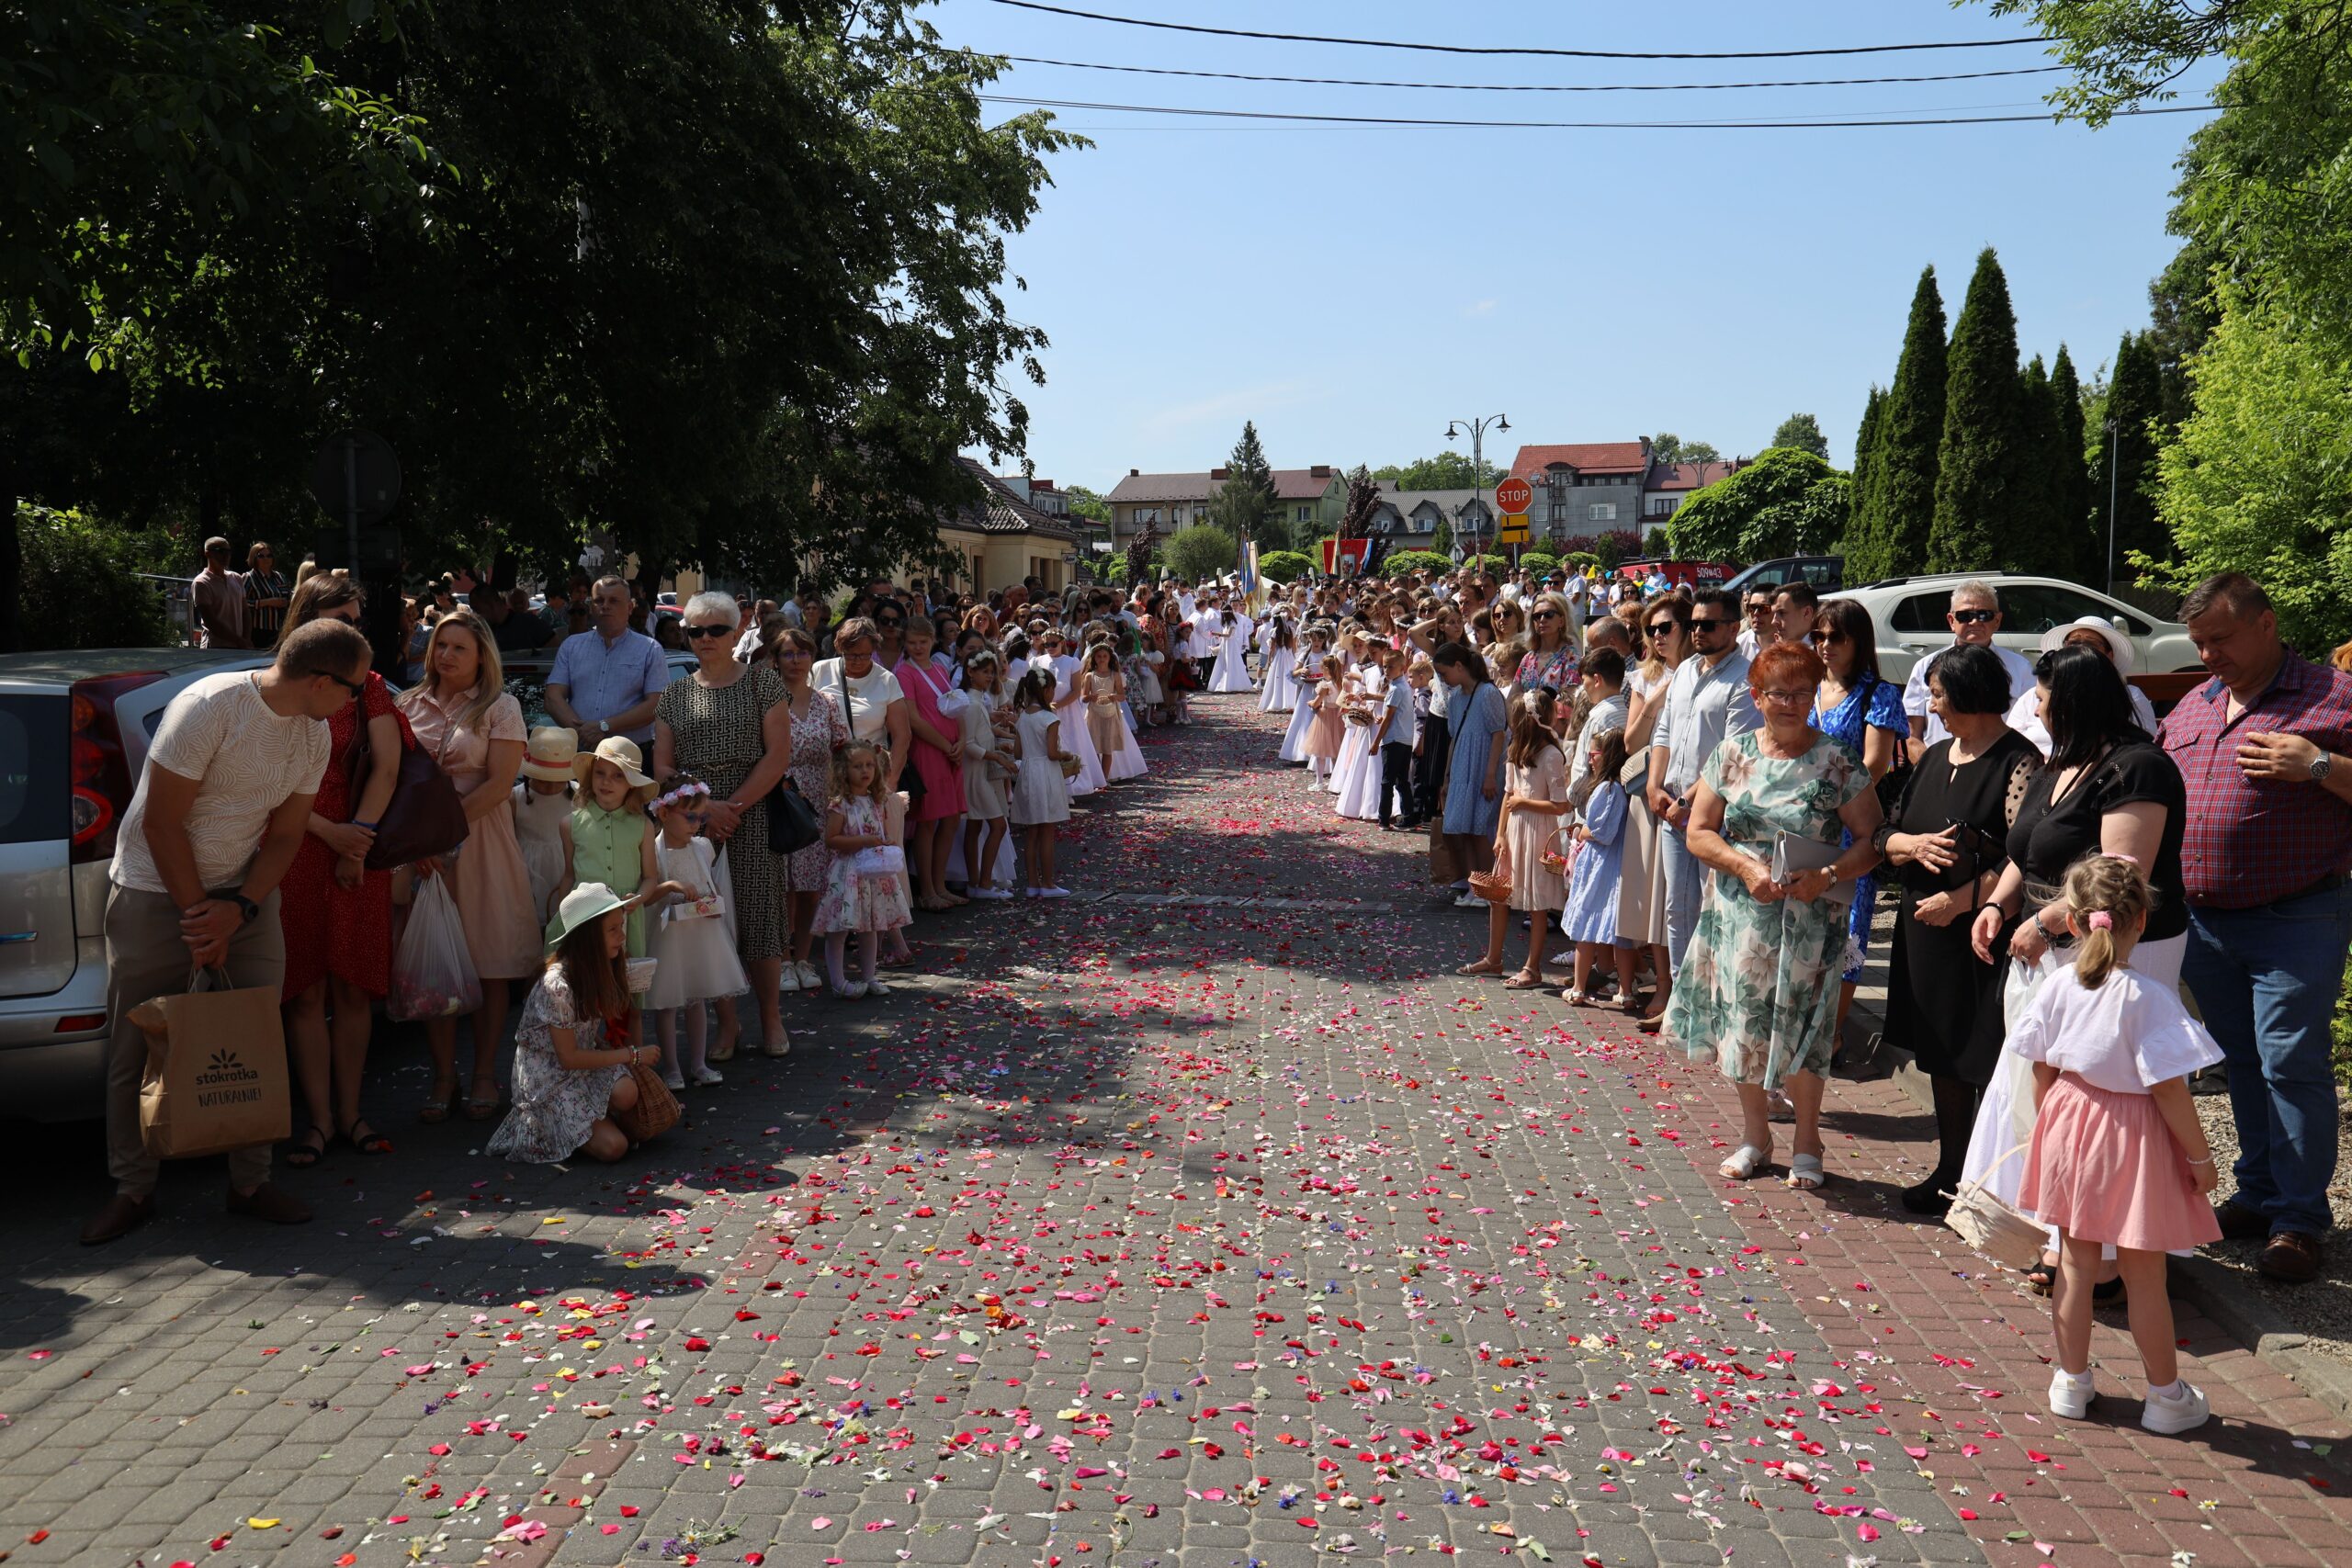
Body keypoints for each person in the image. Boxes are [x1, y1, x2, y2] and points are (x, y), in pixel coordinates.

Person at [81, 617, 372, 1245]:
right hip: (153, 892)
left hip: (243, 900)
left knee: (254, 1035)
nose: (357, 701)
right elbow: (160, 824)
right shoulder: (210, 707)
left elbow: (287, 834)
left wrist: (238, 908)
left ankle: (250, 1183)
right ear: (321, 681)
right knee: (137, 1045)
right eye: (354, 689)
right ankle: (133, 1189)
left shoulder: (313, 733)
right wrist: (199, 917)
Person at [1964, 642, 2187, 1292]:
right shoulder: (2061, 761)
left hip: (2114, 953)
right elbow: (2029, 848)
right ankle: (2059, 1232)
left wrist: (2044, 924)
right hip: (2047, 949)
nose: (2034, 710)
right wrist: (2000, 904)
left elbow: (2122, 873)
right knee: (2041, 1090)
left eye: (2042, 699)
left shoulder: (2137, 767)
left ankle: (2111, 1256)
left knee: (2102, 1097)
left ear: (2073, 702)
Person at [2163, 571, 2352, 1282]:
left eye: (2220, 638)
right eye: (2198, 642)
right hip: (2205, 921)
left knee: (2290, 1062)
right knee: (2239, 1061)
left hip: (2296, 915)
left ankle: (2299, 1220)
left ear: (2266, 624)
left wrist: (2319, 763)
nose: (2208, 654)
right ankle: (2261, 1191)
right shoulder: (2196, 702)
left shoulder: (2333, 695)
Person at [2015, 854, 2223, 1435]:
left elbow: (2041, 1070)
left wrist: (2050, 1132)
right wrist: (2201, 1158)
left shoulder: (2060, 984)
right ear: (2143, 919)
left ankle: (2071, 1382)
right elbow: (2169, 1090)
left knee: (2075, 1262)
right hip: (2131, 1136)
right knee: (2143, 1272)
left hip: (2069, 1119)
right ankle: (2165, 1397)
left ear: (2073, 921)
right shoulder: (2150, 997)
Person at [1666, 641, 1883, 1190]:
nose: (1791, 703)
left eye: (1802, 693)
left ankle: (1808, 1140)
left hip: (1812, 915)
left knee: (1807, 1025)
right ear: (1757, 696)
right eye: (1779, 693)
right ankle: (1755, 1135)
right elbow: (1698, 832)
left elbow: (1872, 841)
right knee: (1746, 1022)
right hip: (1744, 912)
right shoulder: (1731, 753)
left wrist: (1827, 876)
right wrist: (1743, 867)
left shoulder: (1838, 759)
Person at [1874, 644, 2039, 1214]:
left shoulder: (2019, 762)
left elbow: (2024, 854)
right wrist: (1908, 845)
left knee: (1984, 1051)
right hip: (1925, 930)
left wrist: (1964, 900)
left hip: (1984, 934)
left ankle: (1992, 1180)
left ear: (1970, 692)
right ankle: (1951, 1169)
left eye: (1939, 694)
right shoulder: (1935, 756)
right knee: (1942, 1053)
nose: (1932, 706)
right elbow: (1887, 831)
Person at [274, 575, 401, 1170]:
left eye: (356, 618)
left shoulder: (368, 683)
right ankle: (318, 1120)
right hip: (294, 844)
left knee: (353, 987)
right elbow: (267, 782)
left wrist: (356, 843)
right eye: (340, 617)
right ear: (308, 618)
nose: (352, 627)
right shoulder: (282, 679)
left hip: (357, 841)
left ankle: (351, 1113)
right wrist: (331, 834)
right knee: (304, 991)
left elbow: (387, 767)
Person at [401, 607, 541, 1123]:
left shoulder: (501, 707)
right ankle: (443, 1076)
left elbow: (500, 785)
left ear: (482, 655)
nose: (446, 655)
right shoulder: (406, 704)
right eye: (440, 645)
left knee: (490, 963)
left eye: (459, 647)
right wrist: (419, 842)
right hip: (419, 849)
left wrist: (442, 835)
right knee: (434, 963)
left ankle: (483, 1073)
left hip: (481, 842)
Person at [653, 591, 795, 1055]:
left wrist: (729, 807)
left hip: (751, 814)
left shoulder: (762, 683)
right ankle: (728, 1024)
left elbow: (777, 756)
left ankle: (771, 1019)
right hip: (691, 824)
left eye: (716, 629)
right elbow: (663, 767)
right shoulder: (675, 694)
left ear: (736, 632)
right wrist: (704, 810)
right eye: (696, 630)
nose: (706, 638)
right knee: (707, 920)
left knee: (760, 915)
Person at [485, 884, 664, 1166]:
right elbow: (568, 1058)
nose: (622, 936)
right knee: (614, 1148)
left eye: (621, 926)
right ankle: (570, 1129)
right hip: (549, 1080)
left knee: (627, 1092)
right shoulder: (556, 985)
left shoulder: (597, 969)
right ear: (588, 937)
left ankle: (591, 1120)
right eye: (612, 930)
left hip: (580, 1067)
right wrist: (632, 1055)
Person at [1808, 598, 1909, 1037]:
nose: (1825, 645)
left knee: (1850, 932)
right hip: (1806, 826)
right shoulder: (1807, 686)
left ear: (1858, 641)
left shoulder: (1877, 693)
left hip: (1853, 826)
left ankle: (1831, 1037)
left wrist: (1830, 797)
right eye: (1818, 636)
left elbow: (1875, 763)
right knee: (1808, 927)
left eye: (1836, 637)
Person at [1647, 587, 1759, 975]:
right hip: (1672, 808)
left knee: (1714, 910)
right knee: (1677, 908)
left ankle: (1712, 998)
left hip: (1714, 816)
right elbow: (1664, 731)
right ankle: (1681, 995)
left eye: (1708, 625)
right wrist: (1654, 786)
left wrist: (1688, 802)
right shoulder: (1684, 670)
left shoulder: (1745, 679)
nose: (1698, 631)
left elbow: (1732, 753)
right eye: (1693, 623)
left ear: (1734, 628)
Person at [643, 773, 748, 1087]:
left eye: (701, 818)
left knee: (697, 999)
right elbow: (648, 894)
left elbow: (711, 885)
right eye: (690, 817)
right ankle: (672, 1068)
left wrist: (713, 903)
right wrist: (670, 888)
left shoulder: (702, 847)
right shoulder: (653, 850)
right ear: (664, 813)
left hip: (701, 934)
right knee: (668, 1003)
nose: (697, 825)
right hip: (669, 937)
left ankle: (699, 1064)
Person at [1463, 689, 1572, 988]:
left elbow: (1560, 805)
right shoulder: (1515, 752)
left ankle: (1532, 968)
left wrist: (1525, 803)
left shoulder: (1551, 756)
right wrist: (1500, 834)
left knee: (1537, 904)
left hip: (1538, 833)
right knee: (1499, 897)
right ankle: (1494, 958)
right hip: (1514, 833)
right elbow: (1508, 796)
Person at [761, 626, 848, 994]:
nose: (795, 660)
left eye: (802, 653)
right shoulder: (765, 700)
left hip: (817, 798)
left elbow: (842, 748)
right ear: (775, 659)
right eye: (788, 653)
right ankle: (782, 960)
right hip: (778, 799)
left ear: (812, 657)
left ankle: (803, 958)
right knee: (782, 888)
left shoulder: (826, 703)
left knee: (811, 888)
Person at [1900, 581, 2038, 764]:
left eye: (1984, 615)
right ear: (1951, 621)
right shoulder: (1925, 667)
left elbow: (2033, 727)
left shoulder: (2020, 668)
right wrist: (1933, 769)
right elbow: (1910, 737)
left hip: (1999, 767)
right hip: (1938, 767)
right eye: (1965, 615)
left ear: (1997, 620)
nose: (1975, 622)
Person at [815, 740, 913, 995]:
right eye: (857, 766)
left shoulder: (875, 800)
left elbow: (878, 832)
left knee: (870, 926)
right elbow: (831, 839)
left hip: (872, 873)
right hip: (848, 872)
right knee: (839, 930)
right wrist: (864, 841)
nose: (865, 770)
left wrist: (884, 842)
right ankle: (838, 982)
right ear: (843, 770)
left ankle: (869, 976)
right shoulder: (840, 804)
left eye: (869, 765)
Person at [546, 576, 673, 750]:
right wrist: (584, 733)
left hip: (631, 755)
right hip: (579, 751)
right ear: (591, 607)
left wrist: (604, 726)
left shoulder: (650, 649)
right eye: (599, 600)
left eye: (614, 601)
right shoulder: (571, 646)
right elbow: (552, 697)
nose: (605, 606)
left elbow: (657, 704)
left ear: (629, 608)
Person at [895, 615, 968, 908]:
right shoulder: (905, 673)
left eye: (923, 642)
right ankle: (927, 891)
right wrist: (946, 745)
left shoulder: (939, 668)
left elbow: (955, 706)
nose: (918, 647)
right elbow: (912, 719)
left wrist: (962, 740)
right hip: (928, 751)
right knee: (927, 822)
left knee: (950, 819)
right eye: (912, 642)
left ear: (932, 641)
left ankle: (940, 885)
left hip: (950, 750)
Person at [1561, 728, 1635, 1010]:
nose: (1590, 760)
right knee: (1617, 932)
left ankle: (1579, 987)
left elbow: (1603, 832)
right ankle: (1625, 991)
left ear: (1608, 756)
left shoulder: (1608, 789)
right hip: (1611, 864)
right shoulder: (1618, 789)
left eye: (1595, 754)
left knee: (1586, 924)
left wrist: (1582, 831)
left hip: (1602, 866)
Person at [2008, 616, 2157, 751]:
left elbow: (2142, 745)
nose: (2080, 649)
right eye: (2073, 643)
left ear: (2109, 656)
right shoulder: (2035, 695)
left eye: (2091, 644)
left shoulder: (2129, 696)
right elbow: (2011, 742)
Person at [1437, 642, 1510, 908]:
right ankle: (1474, 886)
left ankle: (1489, 888)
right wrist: (1447, 777)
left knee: (1480, 830)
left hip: (1483, 768)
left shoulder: (1488, 692)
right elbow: (1454, 739)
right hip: (1462, 768)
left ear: (1459, 666)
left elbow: (1498, 734)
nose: (1443, 679)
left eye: (1444, 673)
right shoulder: (1456, 698)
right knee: (1464, 830)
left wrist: (1490, 774)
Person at [1008, 669, 1074, 897]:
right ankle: (1047, 883)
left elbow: (1018, 752)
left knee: (1032, 833)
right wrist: (1066, 754)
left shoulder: (1023, 717)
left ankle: (1032, 883)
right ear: (1046, 690)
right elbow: (1052, 753)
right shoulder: (1049, 718)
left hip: (1028, 772)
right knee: (1047, 831)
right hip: (1045, 774)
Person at [956, 649, 1016, 900]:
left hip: (978, 771)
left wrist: (996, 733)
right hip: (975, 774)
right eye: (985, 672)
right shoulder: (971, 704)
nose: (990, 677)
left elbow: (980, 733)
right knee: (998, 825)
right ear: (971, 672)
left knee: (974, 826)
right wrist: (995, 756)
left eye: (992, 672)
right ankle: (983, 882)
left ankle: (975, 882)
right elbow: (968, 743)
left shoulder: (977, 701)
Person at [514, 728, 578, 924]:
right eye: (543, 780)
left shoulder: (579, 796)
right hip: (527, 871)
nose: (550, 787)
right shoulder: (515, 798)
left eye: (558, 781)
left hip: (567, 869)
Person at [1374, 645, 1418, 830]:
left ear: (1402, 668)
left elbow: (1389, 717)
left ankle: (1383, 819)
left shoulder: (1397, 689)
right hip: (1405, 739)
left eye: (1391, 667)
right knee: (1401, 781)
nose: (1387, 670)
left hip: (1394, 740)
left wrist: (1376, 742)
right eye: (1385, 666)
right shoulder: (1402, 687)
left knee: (1388, 782)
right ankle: (1408, 816)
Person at [1513, 592, 1580, 695]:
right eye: (1537, 616)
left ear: (1561, 621)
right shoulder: (1528, 658)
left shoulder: (1571, 656)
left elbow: (1570, 699)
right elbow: (1512, 697)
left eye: (1549, 614)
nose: (1542, 619)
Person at [189, 536, 251, 649]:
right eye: (221, 551)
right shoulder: (201, 583)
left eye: (229, 551)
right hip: (215, 646)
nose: (226, 556)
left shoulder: (236, 578)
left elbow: (245, 611)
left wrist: (246, 639)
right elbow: (211, 622)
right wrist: (240, 641)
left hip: (239, 645)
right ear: (207, 554)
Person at [1302, 653, 1345, 789]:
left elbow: (1316, 703)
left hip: (1325, 718)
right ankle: (1337, 782)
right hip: (1338, 718)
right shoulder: (1341, 684)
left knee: (1320, 752)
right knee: (1336, 750)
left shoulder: (1325, 686)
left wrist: (1311, 703)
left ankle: (1319, 782)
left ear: (1326, 669)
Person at [243, 542, 290, 647]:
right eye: (261, 556)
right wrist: (267, 602)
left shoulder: (280, 577)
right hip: (258, 631)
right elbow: (241, 604)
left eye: (269, 556)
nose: (266, 559)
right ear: (254, 558)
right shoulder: (248, 577)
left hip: (280, 630)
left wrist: (286, 602)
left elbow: (289, 598)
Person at [1769, 581, 1819, 649]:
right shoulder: (1779, 649)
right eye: (1774, 614)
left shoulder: (1824, 653)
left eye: (1782, 613)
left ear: (1807, 613)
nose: (1774, 622)